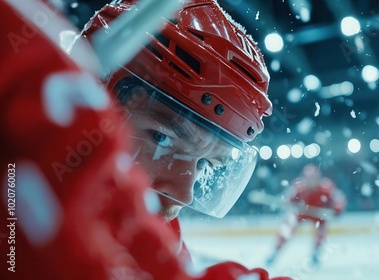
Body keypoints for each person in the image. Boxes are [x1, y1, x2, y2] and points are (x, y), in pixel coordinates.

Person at [0, 0, 290, 279]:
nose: (185, 194)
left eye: (205, 165)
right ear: (90, 104)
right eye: (161, 139)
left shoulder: (149, 233)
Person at [266, 164, 347, 267]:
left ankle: (316, 255)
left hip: (319, 215)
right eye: (308, 178)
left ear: (318, 178)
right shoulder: (298, 186)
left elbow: (339, 199)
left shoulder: (327, 187)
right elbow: (288, 198)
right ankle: (275, 253)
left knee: (321, 233)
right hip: (300, 213)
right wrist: (289, 203)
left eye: (313, 178)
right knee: (287, 229)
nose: (311, 181)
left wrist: (336, 210)